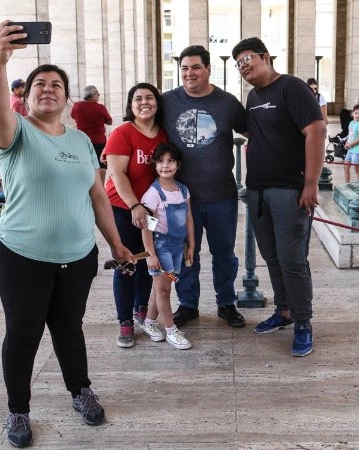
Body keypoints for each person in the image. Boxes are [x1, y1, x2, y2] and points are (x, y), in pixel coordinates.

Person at [0, 20, 133, 448]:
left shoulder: (82, 142)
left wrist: (115, 243)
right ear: (27, 96)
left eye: (56, 84)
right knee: (24, 334)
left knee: (69, 328)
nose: (47, 89)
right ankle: (18, 410)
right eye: (39, 84)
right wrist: (0, 59)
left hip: (77, 255)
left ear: (68, 98)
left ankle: (80, 391)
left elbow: (98, 196)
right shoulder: (16, 132)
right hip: (22, 256)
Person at [232, 37, 326, 357]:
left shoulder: (292, 87)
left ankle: (303, 322)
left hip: (289, 190)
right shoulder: (253, 96)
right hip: (257, 190)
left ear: (266, 57)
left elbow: (316, 130)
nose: (244, 66)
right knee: (272, 257)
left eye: (248, 59)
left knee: (292, 260)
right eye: (238, 64)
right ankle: (284, 311)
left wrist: (311, 183)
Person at [161, 45, 248, 329]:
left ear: (208, 69)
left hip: (222, 195)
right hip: (181, 199)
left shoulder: (227, 102)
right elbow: (144, 126)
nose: (189, 73)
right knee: (187, 253)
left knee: (224, 254)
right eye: (184, 68)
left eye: (196, 67)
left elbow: (254, 133)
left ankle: (226, 303)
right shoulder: (168, 101)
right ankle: (188, 304)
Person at [103, 82, 168, 348]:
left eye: (149, 97)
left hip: (153, 209)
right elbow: (117, 174)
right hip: (122, 207)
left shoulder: (164, 135)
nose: (144, 102)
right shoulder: (122, 133)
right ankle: (124, 322)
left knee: (147, 259)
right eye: (138, 98)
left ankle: (141, 308)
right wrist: (134, 206)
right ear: (131, 105)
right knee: (126, 263)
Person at [140, 142, 195, 349]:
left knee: (161, 286)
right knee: (163, 290)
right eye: (161, 161)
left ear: (178, 165)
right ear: (154, 165)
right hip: (160, 247)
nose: (166, 165)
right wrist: (150, 255)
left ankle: (148, 322)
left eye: (170, 161)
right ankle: (171, 330)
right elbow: (146, 228)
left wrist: (191, 245)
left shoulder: (183, 190)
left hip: (177, 246)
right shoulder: (153, 194)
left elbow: (189, 218)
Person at [71, 85, 113, 180]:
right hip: (99, 141)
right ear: (93, 95)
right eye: (97, 94)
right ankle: (100, 187)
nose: (98, 96)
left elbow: (73, 116)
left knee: (85, 164)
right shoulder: (100, 108)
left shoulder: (77, 106)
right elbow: (110, 122)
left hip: (82, 140)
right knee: (101, 164)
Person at [343, 104, 359, 183]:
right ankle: (346, 185)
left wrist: (350, 145)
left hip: (357, 150)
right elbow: (350, 135)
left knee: (357, 169)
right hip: (350, 149)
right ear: (352, 113)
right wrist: (347, 143)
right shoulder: (351, 123)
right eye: (356, 113)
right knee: (345, 167)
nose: (357, 115)